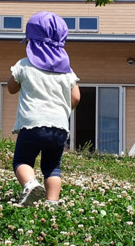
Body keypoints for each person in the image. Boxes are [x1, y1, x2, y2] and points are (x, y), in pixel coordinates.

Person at [7, 11, 81, 206]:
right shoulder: (67, 71)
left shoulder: (24, 65)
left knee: (22, 161)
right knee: (52, 167)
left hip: (32, 124)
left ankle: (30, 185)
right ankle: (52, 203)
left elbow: (11, 88)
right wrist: (63, 111)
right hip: (59, 127)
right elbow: (76, 97)